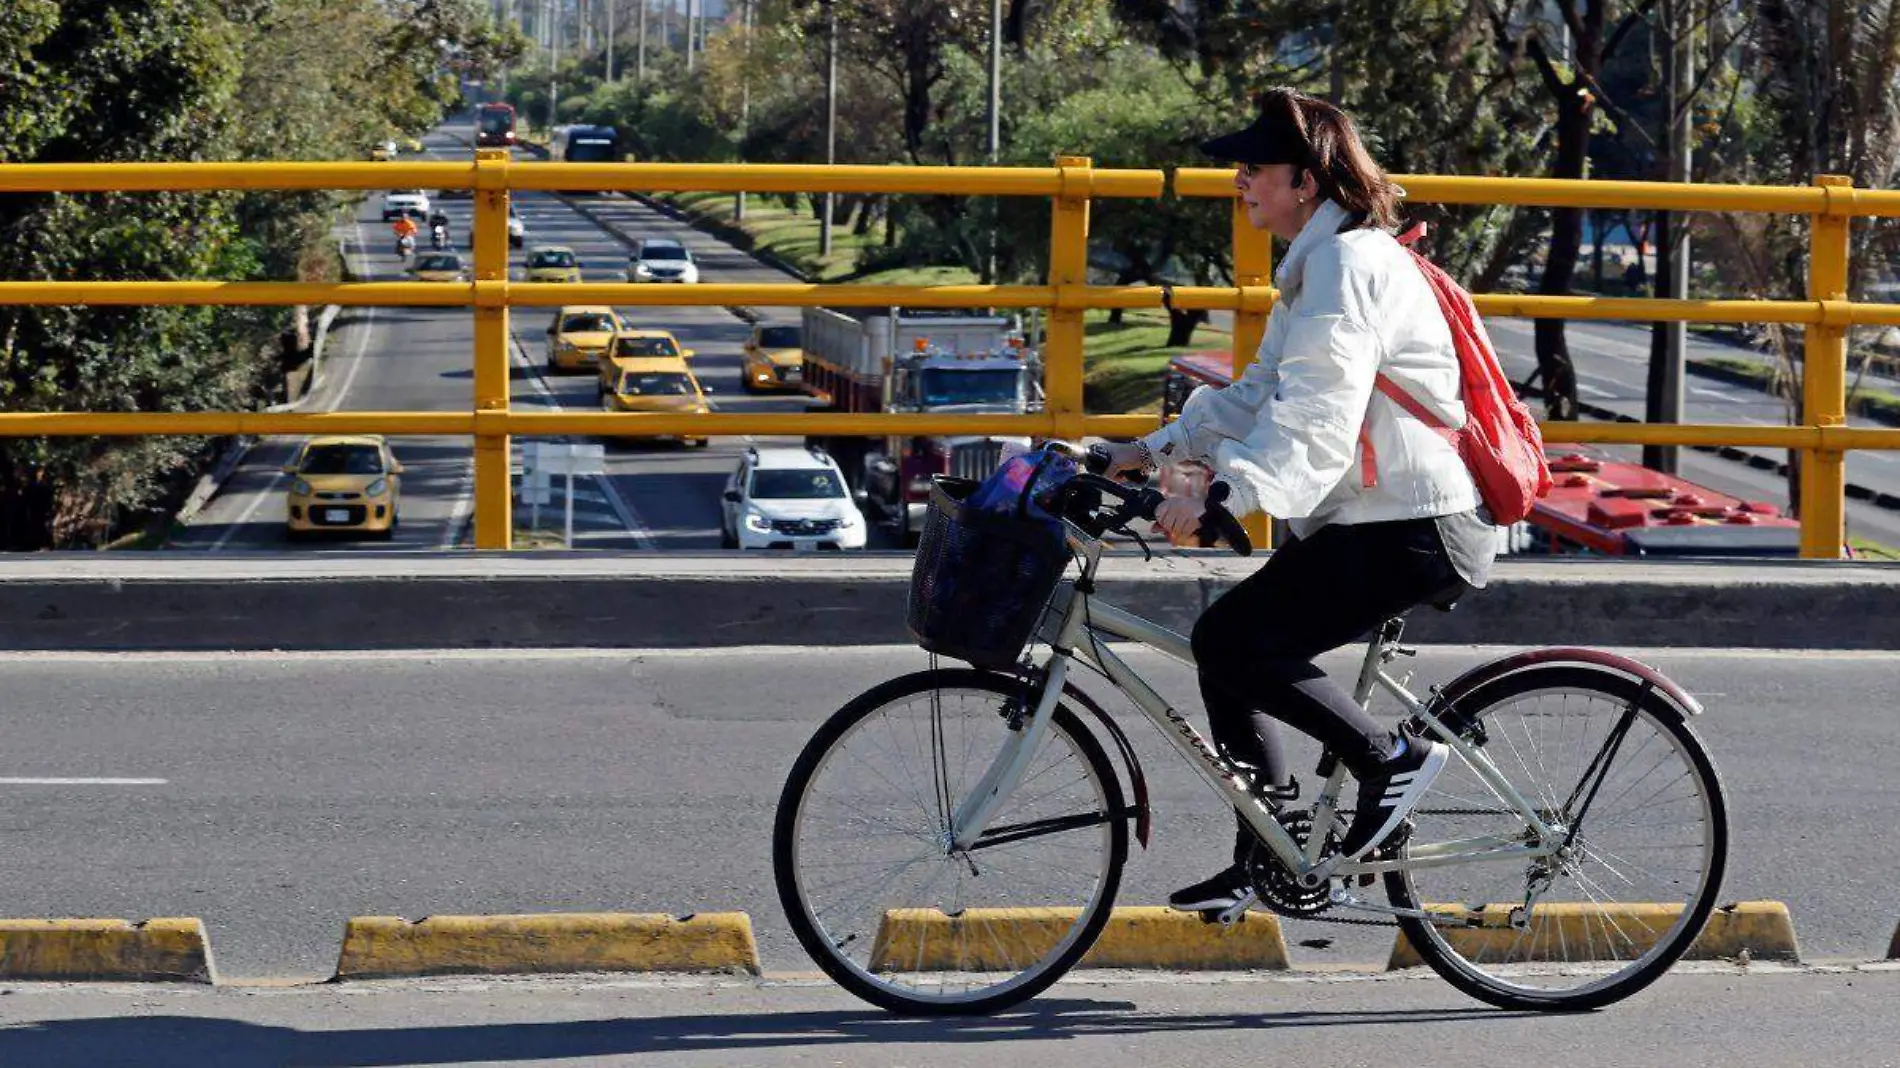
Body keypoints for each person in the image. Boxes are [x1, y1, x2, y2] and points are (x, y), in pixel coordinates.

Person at [1098, 87, 1498, 913]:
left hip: (1413, 525)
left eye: (1253, 169)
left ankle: (1392, 759)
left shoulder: (1349, 266)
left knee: (1235, 641)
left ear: (1307, 182)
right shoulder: (1321, 262)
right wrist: (1143, 453)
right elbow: (1256, 396)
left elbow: (1320, 413)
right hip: (1376, 518)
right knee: (1228, 644)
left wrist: (1231, 494)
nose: (1238, 182)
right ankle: (1270, 848)